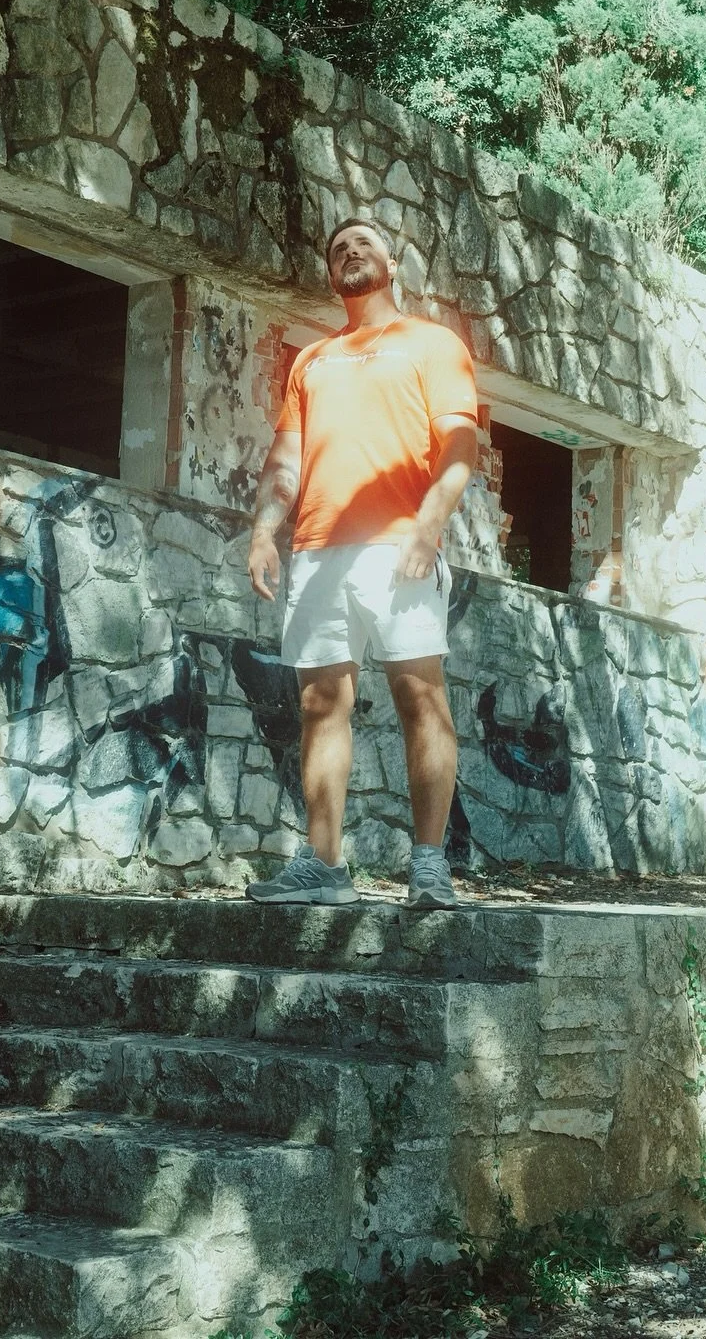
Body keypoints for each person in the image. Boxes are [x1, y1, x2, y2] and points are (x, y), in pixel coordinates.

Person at [245, 217, 479, 907]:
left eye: (365, 244)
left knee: (419, 696)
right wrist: (265, 531)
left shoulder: (432, 344)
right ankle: (324, 867)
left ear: (393, 262)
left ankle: (430, 866)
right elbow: (286, 457)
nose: (351, 252)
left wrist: (429, 528)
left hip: (400, 544)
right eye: (339, 248)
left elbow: (460, 449)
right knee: (321, 704)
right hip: (317, 550)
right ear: (331, 272)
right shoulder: (311, 361)